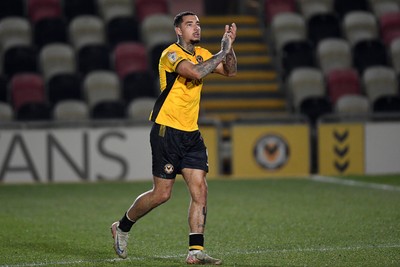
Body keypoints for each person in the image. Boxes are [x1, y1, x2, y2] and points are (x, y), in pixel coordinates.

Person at [110, 11, 237, 265]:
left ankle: (195, 251)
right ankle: (122, 227)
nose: (196, 28)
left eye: (198, 24)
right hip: (166, 131)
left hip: (191, 134)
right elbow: (196, 73)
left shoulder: (203, 54)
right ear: (178, 30)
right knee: (162, 194)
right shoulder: (171, 54)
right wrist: (221, 51)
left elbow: (230, 71)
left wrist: (229, 47)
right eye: (190, 24)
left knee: (200, 190)